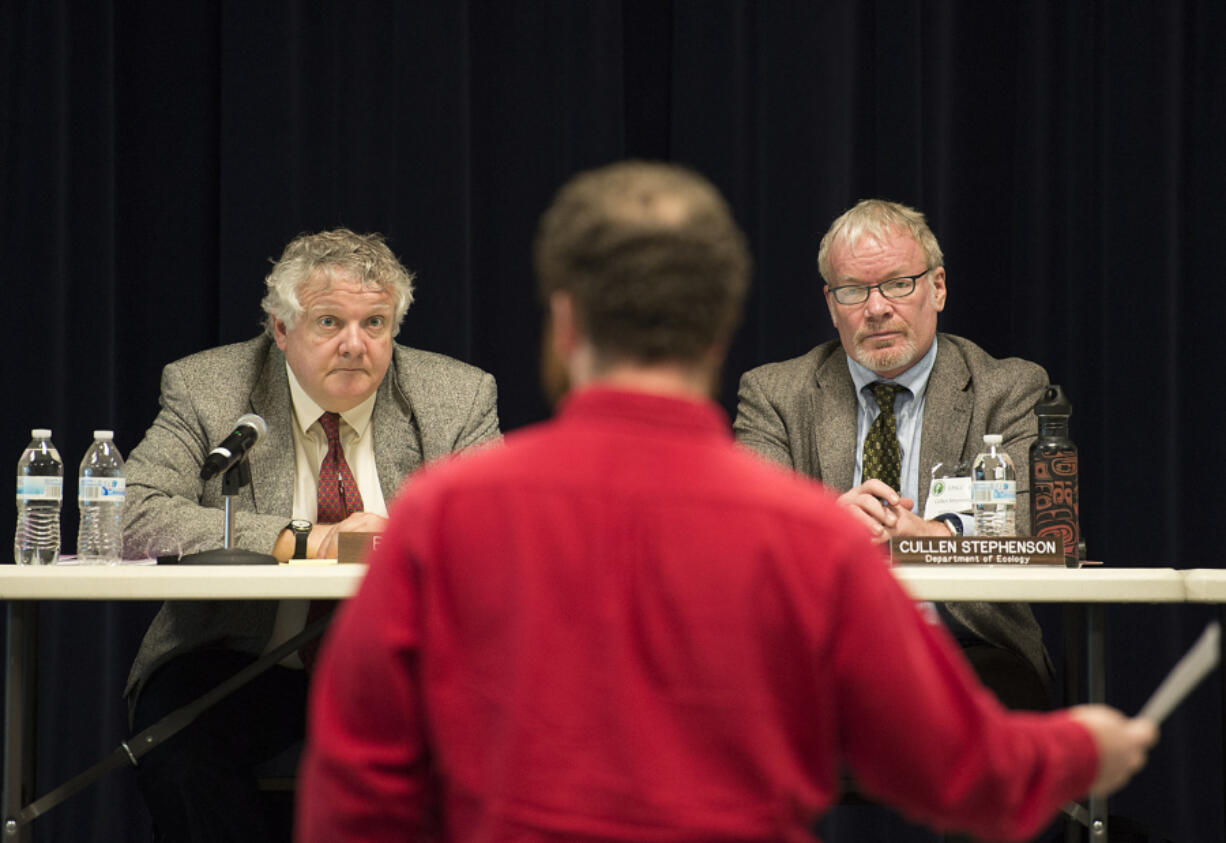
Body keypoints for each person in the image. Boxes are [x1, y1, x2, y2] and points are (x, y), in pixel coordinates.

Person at [297, 162, 1155, 843]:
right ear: (720, 327)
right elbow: (956, 768)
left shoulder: (440, 514)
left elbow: (356, 786)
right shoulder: (805, 532)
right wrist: (1086, 748)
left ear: (562, 325)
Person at [122, 228, 500, 842]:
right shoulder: (208, 388)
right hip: (237, 659)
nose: (355, 345)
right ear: (280, 329)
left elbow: (499, 539)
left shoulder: (456, 397)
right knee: (180, 754)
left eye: (375, 324)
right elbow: (133, 511)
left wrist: (408, 536)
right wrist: (304, 539)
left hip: (408, 668)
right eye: (329, 322)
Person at [734, 199, 1053, 710]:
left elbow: (1037, 524)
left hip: (966, 647)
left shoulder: (1008, 388)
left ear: (938, 287)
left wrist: (928, 537)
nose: (877, 307)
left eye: (898, 284)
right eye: (854, 290)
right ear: (831, 303)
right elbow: (743, 531)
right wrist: (825, 529)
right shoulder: (775, 393)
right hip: (820, 647)